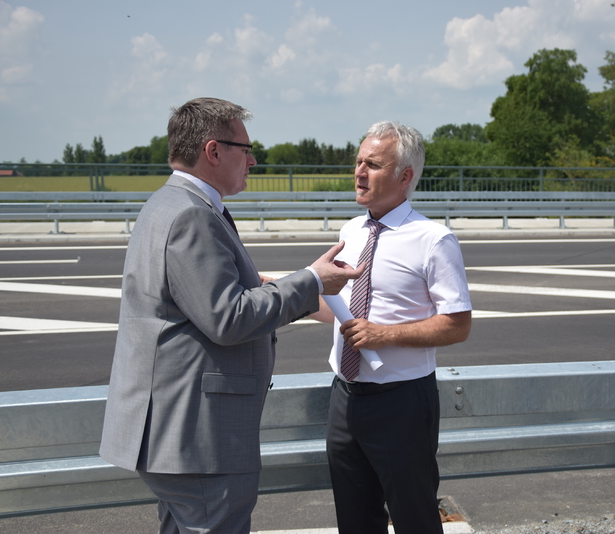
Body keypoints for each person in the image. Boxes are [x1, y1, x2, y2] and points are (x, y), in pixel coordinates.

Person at [99, 97, 363, 534]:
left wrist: (302, 298)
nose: (253, 160)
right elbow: (228, 317)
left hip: (173, 433)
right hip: (200, 438)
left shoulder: (165, 204)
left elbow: (208, 300)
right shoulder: (192, 216)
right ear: (213, 151)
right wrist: (311, 280)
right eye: (244, 148)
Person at [316, 121, 472, 534]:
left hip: (401, 402)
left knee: (414, 519)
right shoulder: (351, 231)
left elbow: (457, 325)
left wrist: (384, 335)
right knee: (355, 520)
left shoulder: (433, 240)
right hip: (345, 398)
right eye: (358, 161)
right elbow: (345, 312)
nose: (359, 172)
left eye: (373, 164)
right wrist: (280, 293)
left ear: (404, 177)